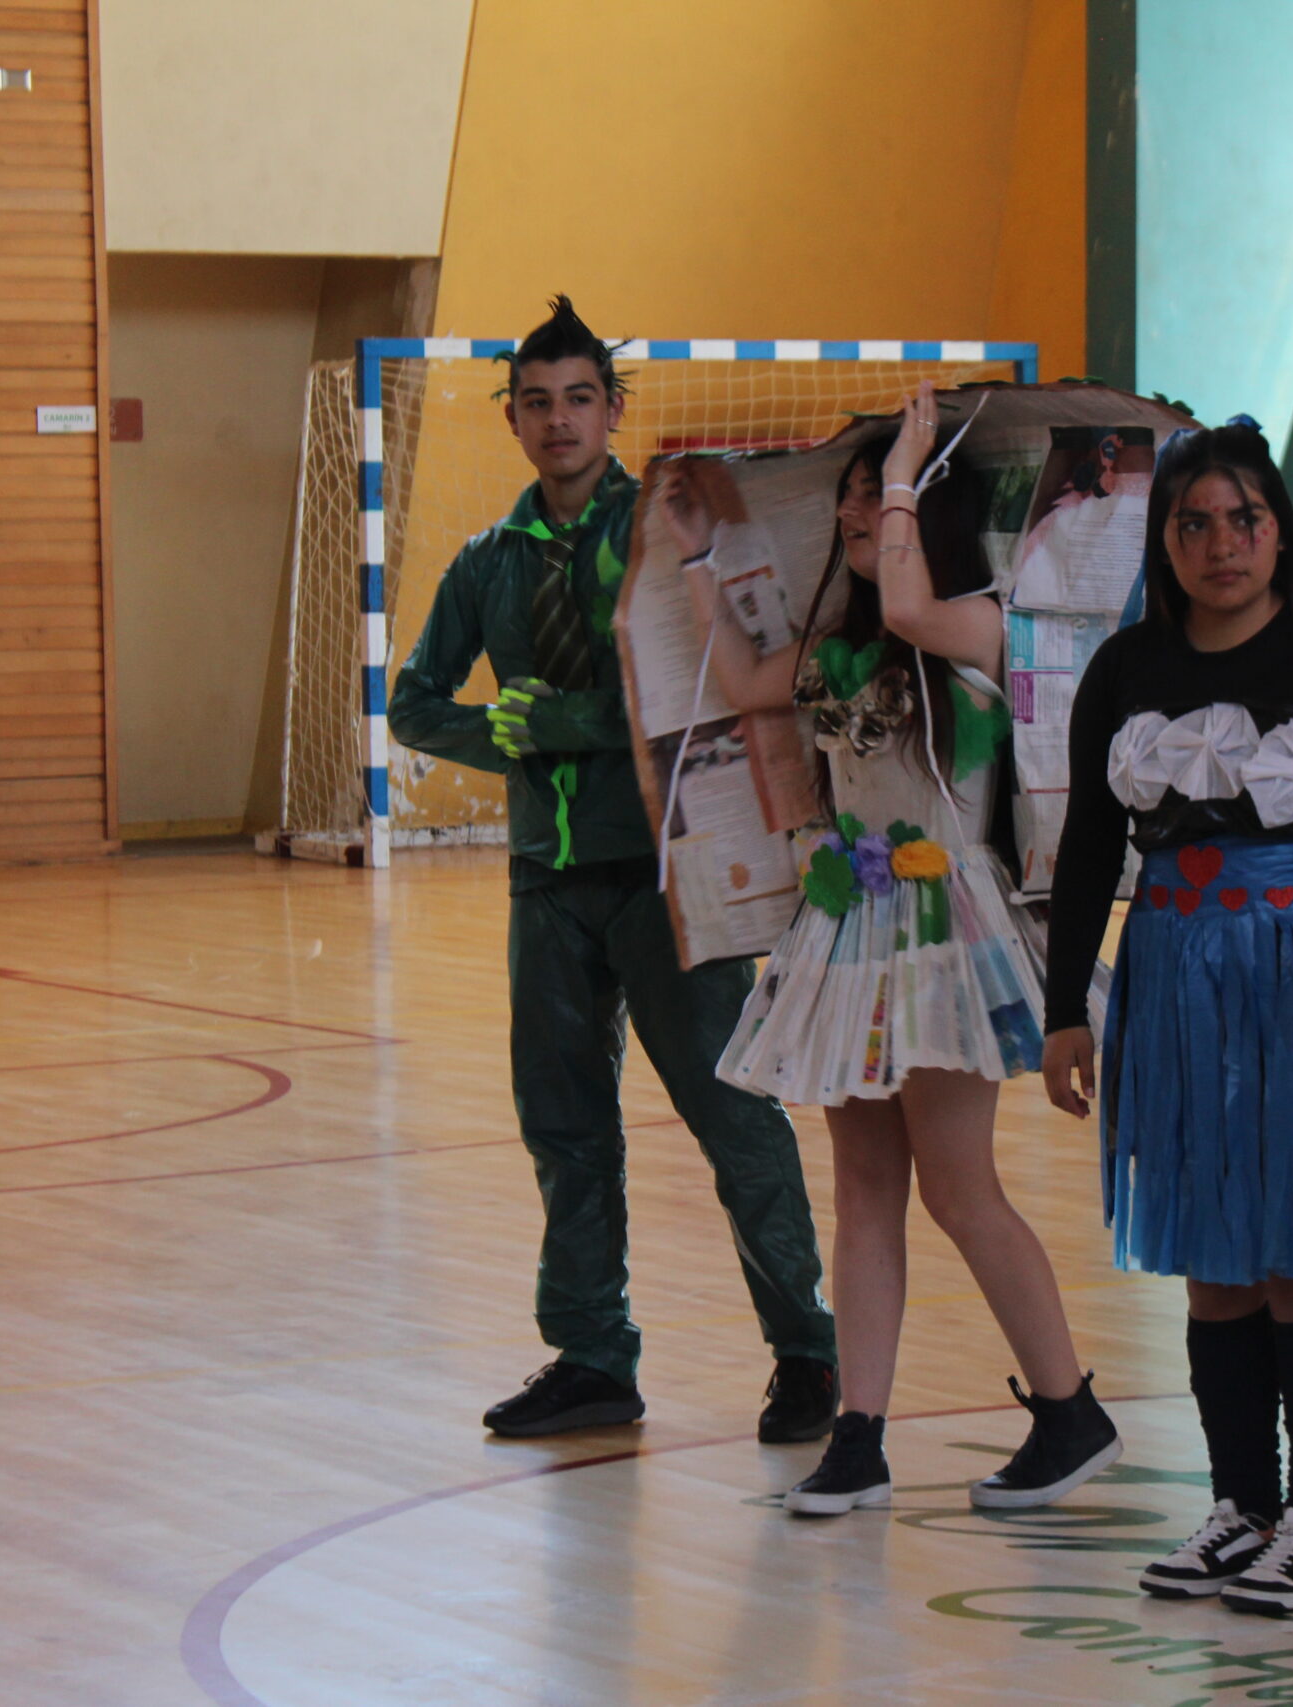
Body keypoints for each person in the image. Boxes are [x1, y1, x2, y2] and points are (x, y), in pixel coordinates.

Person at [666, 380, 1122, 1517]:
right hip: (853, 922)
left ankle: (1069, 1408)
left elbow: (913, 610)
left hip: (945, 927)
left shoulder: (980, 623)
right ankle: (859, 1436)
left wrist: (910, 459)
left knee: (960, 1187)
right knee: (865, 1189)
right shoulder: (835, 648)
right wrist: (697, 556)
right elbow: (742, 683)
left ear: (929, 506)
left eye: (877, 495)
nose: (857, 512)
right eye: (856, 496)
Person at [388, 297, 838, 1443]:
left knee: (734, 1118)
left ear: (613, 410)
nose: (559, 420)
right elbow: (415, 704)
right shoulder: (487, 561)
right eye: (537, 402)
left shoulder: (668, 537)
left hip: (671, 878)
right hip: (544, 880)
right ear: (512, 418)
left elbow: (727, 685)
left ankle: (806, 1353)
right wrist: (501, 734)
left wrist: (574, 722)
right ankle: (591, 1357)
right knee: (564, 1126)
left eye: (579, 398)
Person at [1038, 418, 1293, 1615]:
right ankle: (1242, 1508)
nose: (1221, 544)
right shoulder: (1125, 669)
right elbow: (1088, 847)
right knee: (1211, 1267)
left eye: (1244, 520)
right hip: (1173, 978)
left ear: (1278, 530)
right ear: (1164, 541)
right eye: (1194, 524)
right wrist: (1066, 1007)